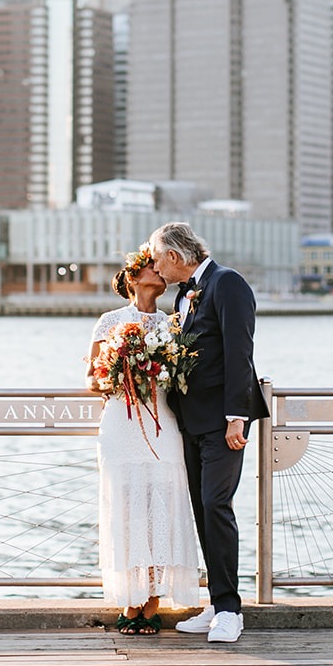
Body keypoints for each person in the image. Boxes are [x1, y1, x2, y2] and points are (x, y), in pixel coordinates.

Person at [149, 221, 268, 644]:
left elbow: (240, 351)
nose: (155, 266)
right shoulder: (183, 297)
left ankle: (232, 611)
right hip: (191, 422)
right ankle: (217, 604)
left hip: (222, 421)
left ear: (176, 257)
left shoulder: (227, 283)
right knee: (201, 509)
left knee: (217, 505)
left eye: (158, 257)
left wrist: (238, 416)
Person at [87, 247, 202, 635]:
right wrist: (122, 373)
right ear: (134, 278)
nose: (159, 270)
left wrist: (157, 375)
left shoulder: (174, 324)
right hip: (122, 424)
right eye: (151, 266)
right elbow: (91, 379)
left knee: (159, 512)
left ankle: (151, 604)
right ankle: (129, 602)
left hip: (162, 425)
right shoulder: (110, 321)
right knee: (126, 511)